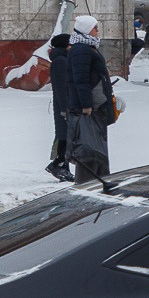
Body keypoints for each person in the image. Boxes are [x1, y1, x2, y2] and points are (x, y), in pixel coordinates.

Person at [62, 15, 114, 181]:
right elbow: (80, 79)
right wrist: (86, 105)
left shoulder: (87, 47)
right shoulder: (80, 50)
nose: (97, 31)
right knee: (89, 151)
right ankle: (89, 185)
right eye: (95, 28)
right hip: (89, 109)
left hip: (96, 106)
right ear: (85, 30)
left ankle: (100, 182)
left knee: (96, 149)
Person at [44, 33, 73, 181]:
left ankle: (64, 166)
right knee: (64, 135)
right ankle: (58, 164)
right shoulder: (60, 61)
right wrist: (65, 108)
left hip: (65, 103)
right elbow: (62, 87)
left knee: (67, 135)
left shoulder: (62, 59)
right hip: (64, 105)